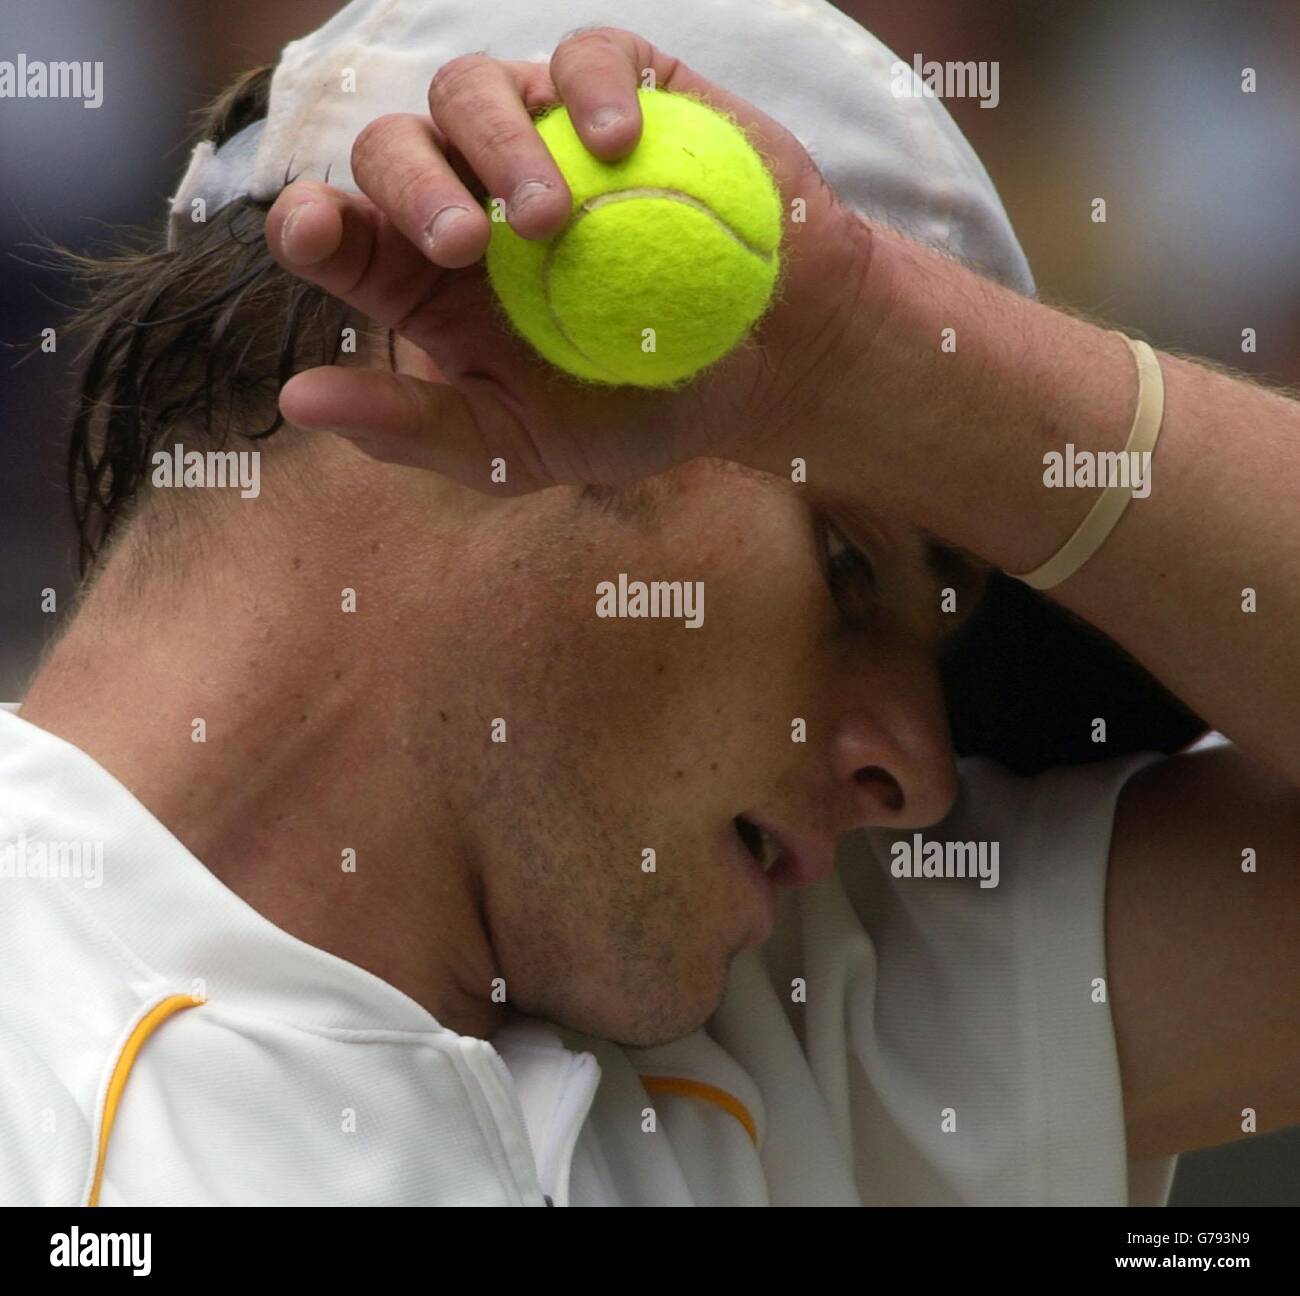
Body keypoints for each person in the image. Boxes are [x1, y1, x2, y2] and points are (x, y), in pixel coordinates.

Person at [2, 0, 1296, 1207]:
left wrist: (881, 341)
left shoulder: (807, 1031)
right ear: (477, 363)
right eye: (851, 570)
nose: (915, 769)